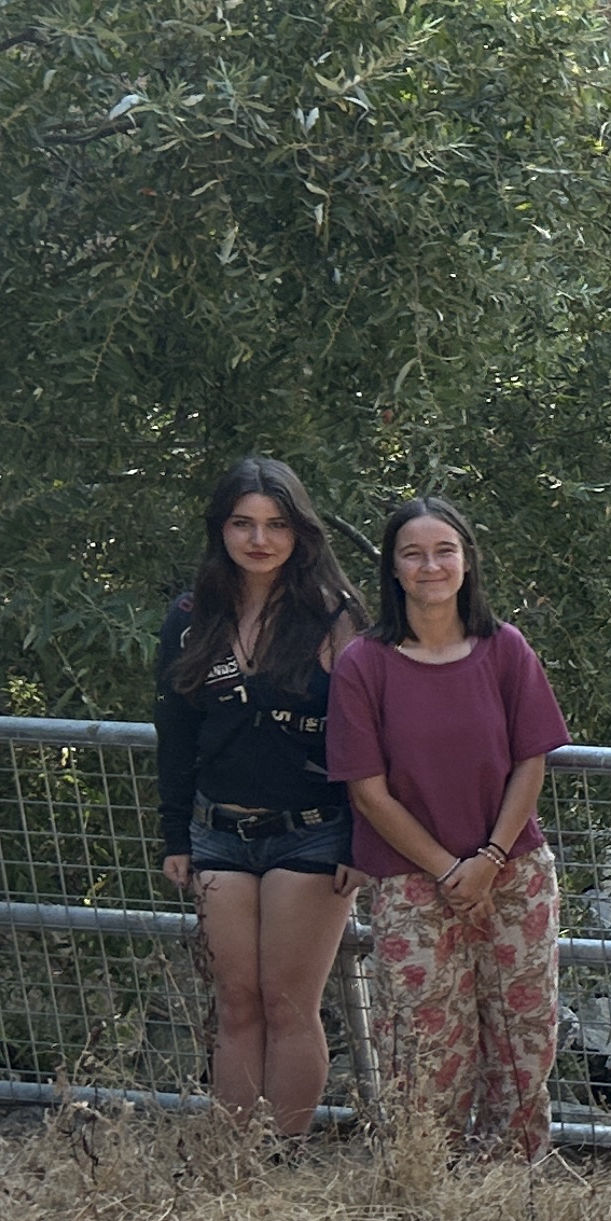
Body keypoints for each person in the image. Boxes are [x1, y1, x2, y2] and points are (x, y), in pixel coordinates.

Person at [328, 496, 574, 1160]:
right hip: (413, 884)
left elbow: (531, 759)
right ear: (393, 568)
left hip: (513, 875)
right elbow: (368, 793)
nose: (430, 565)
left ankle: (507, 1188)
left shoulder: (504, 649)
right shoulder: (364, 665)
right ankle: (427, 1187)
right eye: (413, 553)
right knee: (424, 1049)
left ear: (467, 561)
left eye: (445, 551)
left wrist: (489, 858)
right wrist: (448, 869)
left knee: (523, 1043)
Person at [153, 456, 363, 1140]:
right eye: (243, 523)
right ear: (221, 531)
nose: (259, 539)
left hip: (311, 834)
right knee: (235, 1004)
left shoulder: (334, 619)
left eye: (276, 524)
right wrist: (175, 838)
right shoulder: (190, 619)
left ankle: (280, 1161)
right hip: (218, 833)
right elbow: (175, 735)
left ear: (300, 532)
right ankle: (232, 1163)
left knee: (288, 1004)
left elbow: (366, 741)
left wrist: (362, 838)